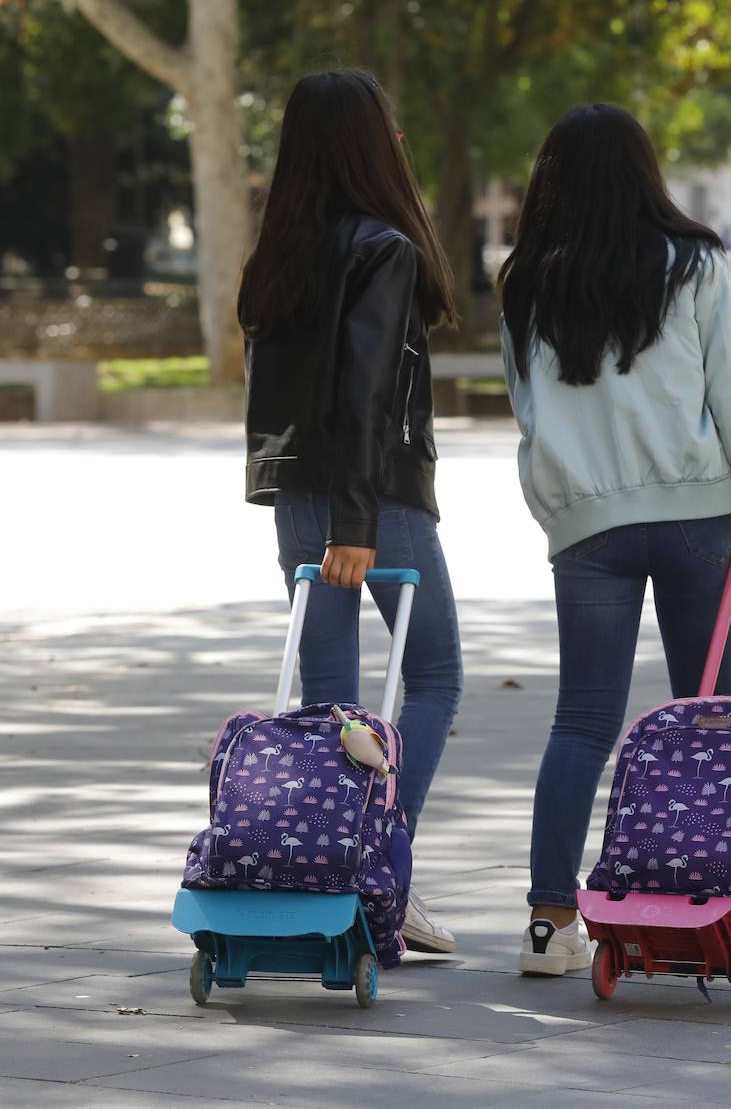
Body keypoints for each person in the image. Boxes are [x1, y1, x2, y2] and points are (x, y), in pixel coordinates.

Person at [500, 103, 731, 975]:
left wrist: (559, 507)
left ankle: (548, 920)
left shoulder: (526, 280)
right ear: (644, 171)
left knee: (583, 721)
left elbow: (529, 411)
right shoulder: (696, 263)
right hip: (695, 519)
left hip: (588, 529)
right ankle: (714, 902)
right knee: (715, 720)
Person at [238, 70, 463, 955]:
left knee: (331, 705)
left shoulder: (277, 255)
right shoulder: (384, 248)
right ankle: (379, 865)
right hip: (371, 498)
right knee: (437, 675)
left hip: (294, 489)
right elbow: (370, 395)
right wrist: (358, 522)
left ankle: (330, 877)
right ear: (372, 144)